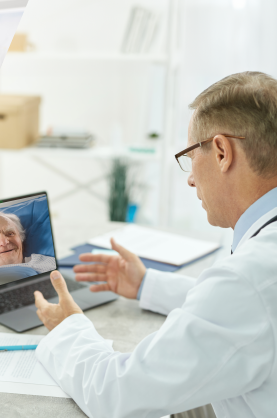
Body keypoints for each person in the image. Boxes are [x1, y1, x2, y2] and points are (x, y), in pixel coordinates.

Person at [32, 71, 277, 418]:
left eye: (192, 155)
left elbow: (117, 395)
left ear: (222, 151)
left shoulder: (248, 282)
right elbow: (245, 316)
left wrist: (68, 328)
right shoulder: (255, 277)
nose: (191, 178)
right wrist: (148, 284)